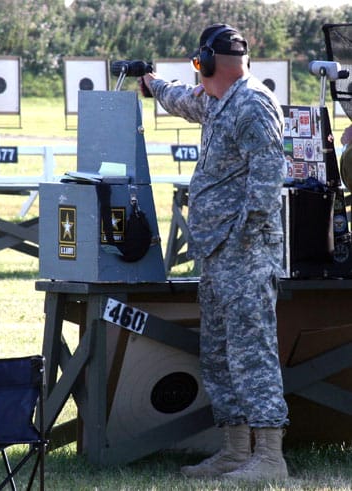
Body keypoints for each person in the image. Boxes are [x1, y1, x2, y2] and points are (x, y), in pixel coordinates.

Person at [141, 23, 289, 481]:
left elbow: (266, 187)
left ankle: (269, 457)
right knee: (221, 353)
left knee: (252, 352)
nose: (195, 72)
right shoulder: (217, 101)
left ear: (206, 61)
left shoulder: (253, 105)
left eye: (197, 63)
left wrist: (242, 242)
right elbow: (181, 97)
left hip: (244, 251)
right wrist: (151, 83)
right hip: (219, 251)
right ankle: (234, 449)